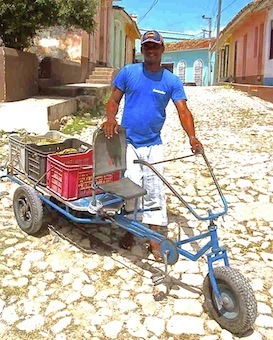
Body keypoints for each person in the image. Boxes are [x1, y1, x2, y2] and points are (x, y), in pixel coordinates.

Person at [102, 30, 202, 261]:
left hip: (153, 144)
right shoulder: (129, 72)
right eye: (147, 46)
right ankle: (130, 230)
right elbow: (113, 100)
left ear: (162, 49)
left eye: (155, 47)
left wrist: (192, 137)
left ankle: (154, 240)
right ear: (142, 50)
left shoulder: (171, 81)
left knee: (155, 191)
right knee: (131, 188)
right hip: (128, 142)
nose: (150, 50)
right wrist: (110, 119)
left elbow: (183, 111)